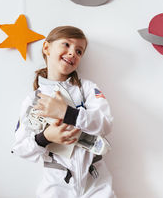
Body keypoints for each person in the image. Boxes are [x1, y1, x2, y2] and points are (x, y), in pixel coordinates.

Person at [12, 26, 116, 198]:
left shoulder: (87, 89)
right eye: (66, 44)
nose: (72, 53)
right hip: (57, 182)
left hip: (96, 180)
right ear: (46, 48)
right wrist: (45, 137)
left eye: (79, 51)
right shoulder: (33, 100)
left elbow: (105, 123)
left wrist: (67, 113)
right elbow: (20, 148)